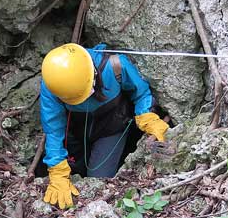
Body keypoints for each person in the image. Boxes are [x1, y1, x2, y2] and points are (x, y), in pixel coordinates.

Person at [39, 43, 169, 209]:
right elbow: (53, 129)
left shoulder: (115, 67)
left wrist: (147, 115)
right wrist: (57, 171)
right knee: (75, 171)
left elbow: (141, 93)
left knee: (97, 180)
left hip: (111, 127)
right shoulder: (53, 86)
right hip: (76, 130)